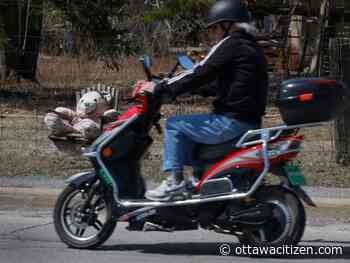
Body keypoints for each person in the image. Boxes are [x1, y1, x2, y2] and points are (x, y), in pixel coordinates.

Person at [138, 0, 269, 201]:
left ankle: (174, 183)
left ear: (228, 24)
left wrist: (161, 87)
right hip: (248, 121)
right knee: (194, 137)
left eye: (215, 27)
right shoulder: (252, 47)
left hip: (230, 121)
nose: (214, 33)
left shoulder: (231, 43)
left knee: (174, 125)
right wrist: (193, 90)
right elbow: (227, 84)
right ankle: (198, 180)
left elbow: (200, 71)